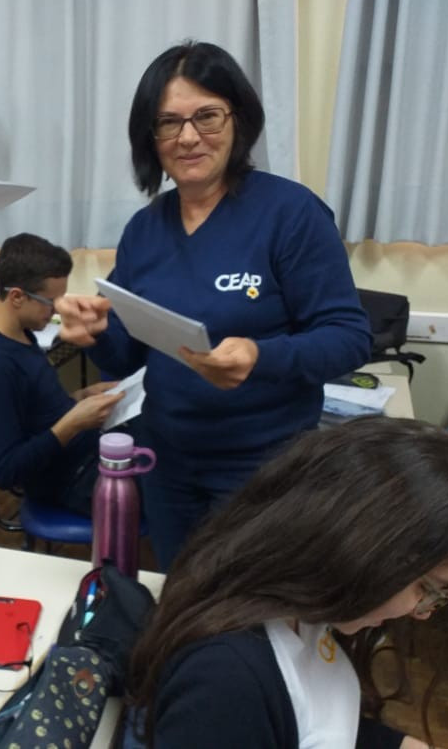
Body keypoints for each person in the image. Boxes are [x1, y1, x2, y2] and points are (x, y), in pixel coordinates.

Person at [56, 41, 372, 568]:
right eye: (168, 122)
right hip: (166, 460)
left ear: (237, 120)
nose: (187, 137)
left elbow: (349, 337)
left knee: (247, 601)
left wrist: (260, 356)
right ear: (150, 136)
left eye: (206, 116)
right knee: (181, 589)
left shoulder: (290, 213)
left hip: (262, 467)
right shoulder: (145, 229)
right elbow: (128, 355)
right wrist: (96, 332)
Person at [125, 416, 448, 749]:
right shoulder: (226, 684)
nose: (423, 614)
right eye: (427, 588)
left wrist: (398, 744)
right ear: (362, 550)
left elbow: (314, 720)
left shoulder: (308, 610)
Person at [0, 233, 125, 517]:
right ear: (17, 296)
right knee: (167, 486)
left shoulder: (23, 336)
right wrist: (73, 423)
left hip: (82, 458)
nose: (58, 309)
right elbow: (5, 471)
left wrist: (80, 398)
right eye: (50, 301)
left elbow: (33, 411)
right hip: (66, 481)